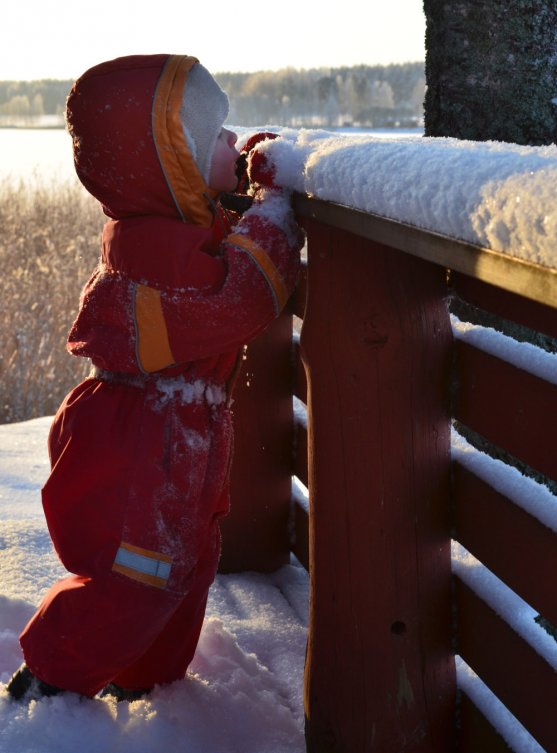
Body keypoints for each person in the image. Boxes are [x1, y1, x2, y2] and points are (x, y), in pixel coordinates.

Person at [6, 54, 303, 702]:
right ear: (172, 162)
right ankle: (53, 672)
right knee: (144, 574)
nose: (233, 140)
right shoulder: (157, 252)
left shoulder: (165, 226)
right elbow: (241, 297)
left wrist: (242, 179)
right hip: (153, 442)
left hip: (175, 430)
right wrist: (275, 212)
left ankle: (145, 676)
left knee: (184, 561)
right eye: (216, 137)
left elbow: (218, 239)